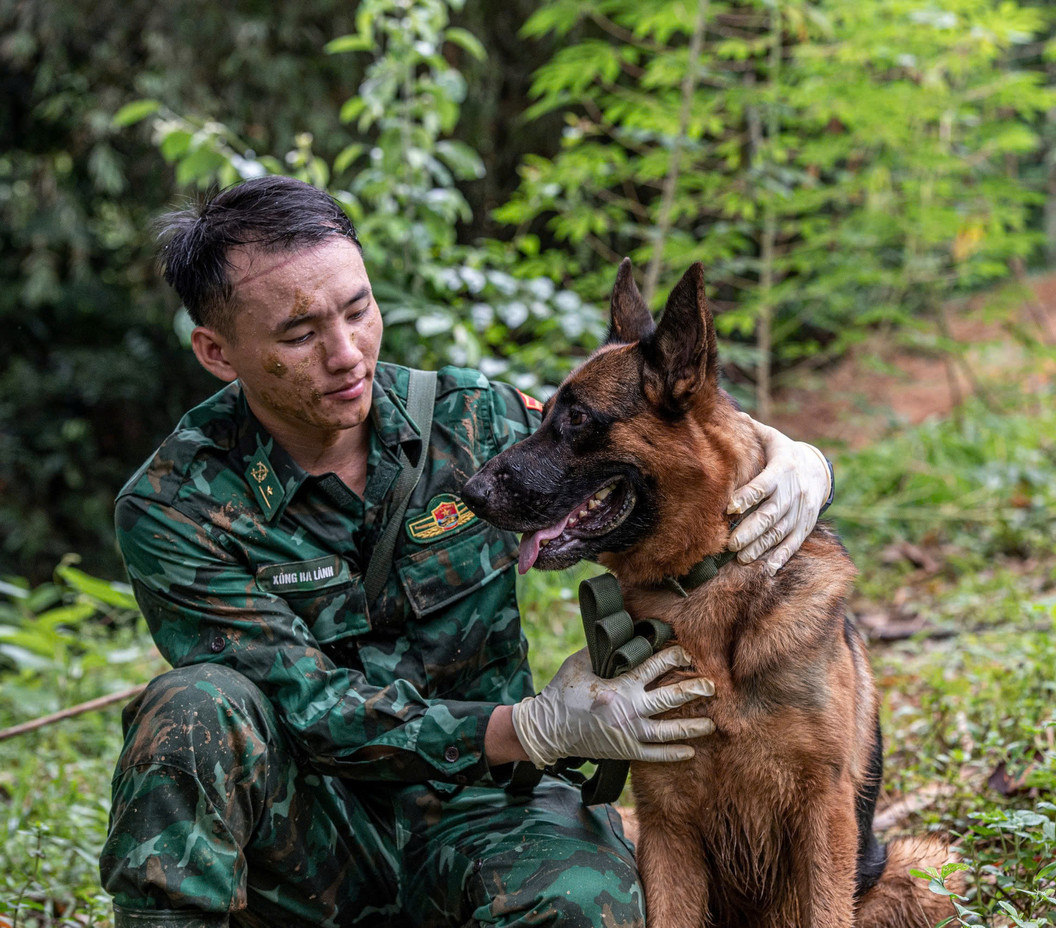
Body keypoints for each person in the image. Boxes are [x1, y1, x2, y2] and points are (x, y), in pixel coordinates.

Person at [99, 175, 834, 928]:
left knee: (586, 909)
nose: (346, 353)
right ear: (218, 352)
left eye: (358, 309)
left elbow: (637, 436)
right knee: (194, 706)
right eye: (298, 335)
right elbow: (312, 709)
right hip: (314, 836)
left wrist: (794, 457)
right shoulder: (176, 504)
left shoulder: (470, 419)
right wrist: (536, 727)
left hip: (493, 808)